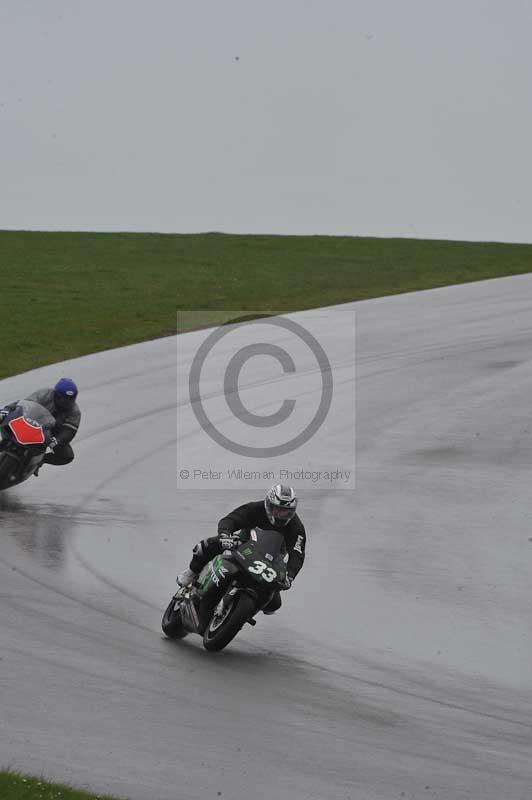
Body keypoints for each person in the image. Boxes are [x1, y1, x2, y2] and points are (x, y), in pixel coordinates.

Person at [177, 484, 306, 614]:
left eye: (286, 511)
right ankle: (191, 572)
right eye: (277, 509)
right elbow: (230, 520)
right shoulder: (255, 508)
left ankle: (244, 612)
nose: (281, 515)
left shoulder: (296, 527)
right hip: (244, 545)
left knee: (274, 604)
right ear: (268, 504)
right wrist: (225, 535)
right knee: (206, 546)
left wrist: (290, 576)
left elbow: (298, 554)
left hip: (270, 562)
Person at [0, 378, 80, 472]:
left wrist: (58, 440)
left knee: (67, 456)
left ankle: (39, 461)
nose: (65, 401)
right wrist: (8, 410)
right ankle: (6, 440)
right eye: (62, 398)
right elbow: (23, 404)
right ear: (56, 394)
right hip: (31, 420)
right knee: (2, 416)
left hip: (51, 432)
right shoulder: (45, 393)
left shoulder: (75, 411)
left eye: (69, 399)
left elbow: (70, 430)